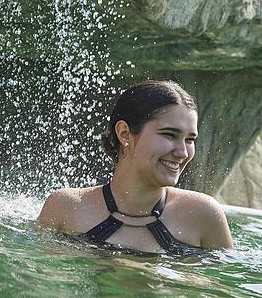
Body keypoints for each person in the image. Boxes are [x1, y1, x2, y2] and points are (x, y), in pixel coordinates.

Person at [38, 80, 233, 254]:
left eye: (190, 140)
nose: (182, 152)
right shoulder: (66, 207)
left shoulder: (204, 215)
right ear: (125, 134)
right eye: (169, 135)